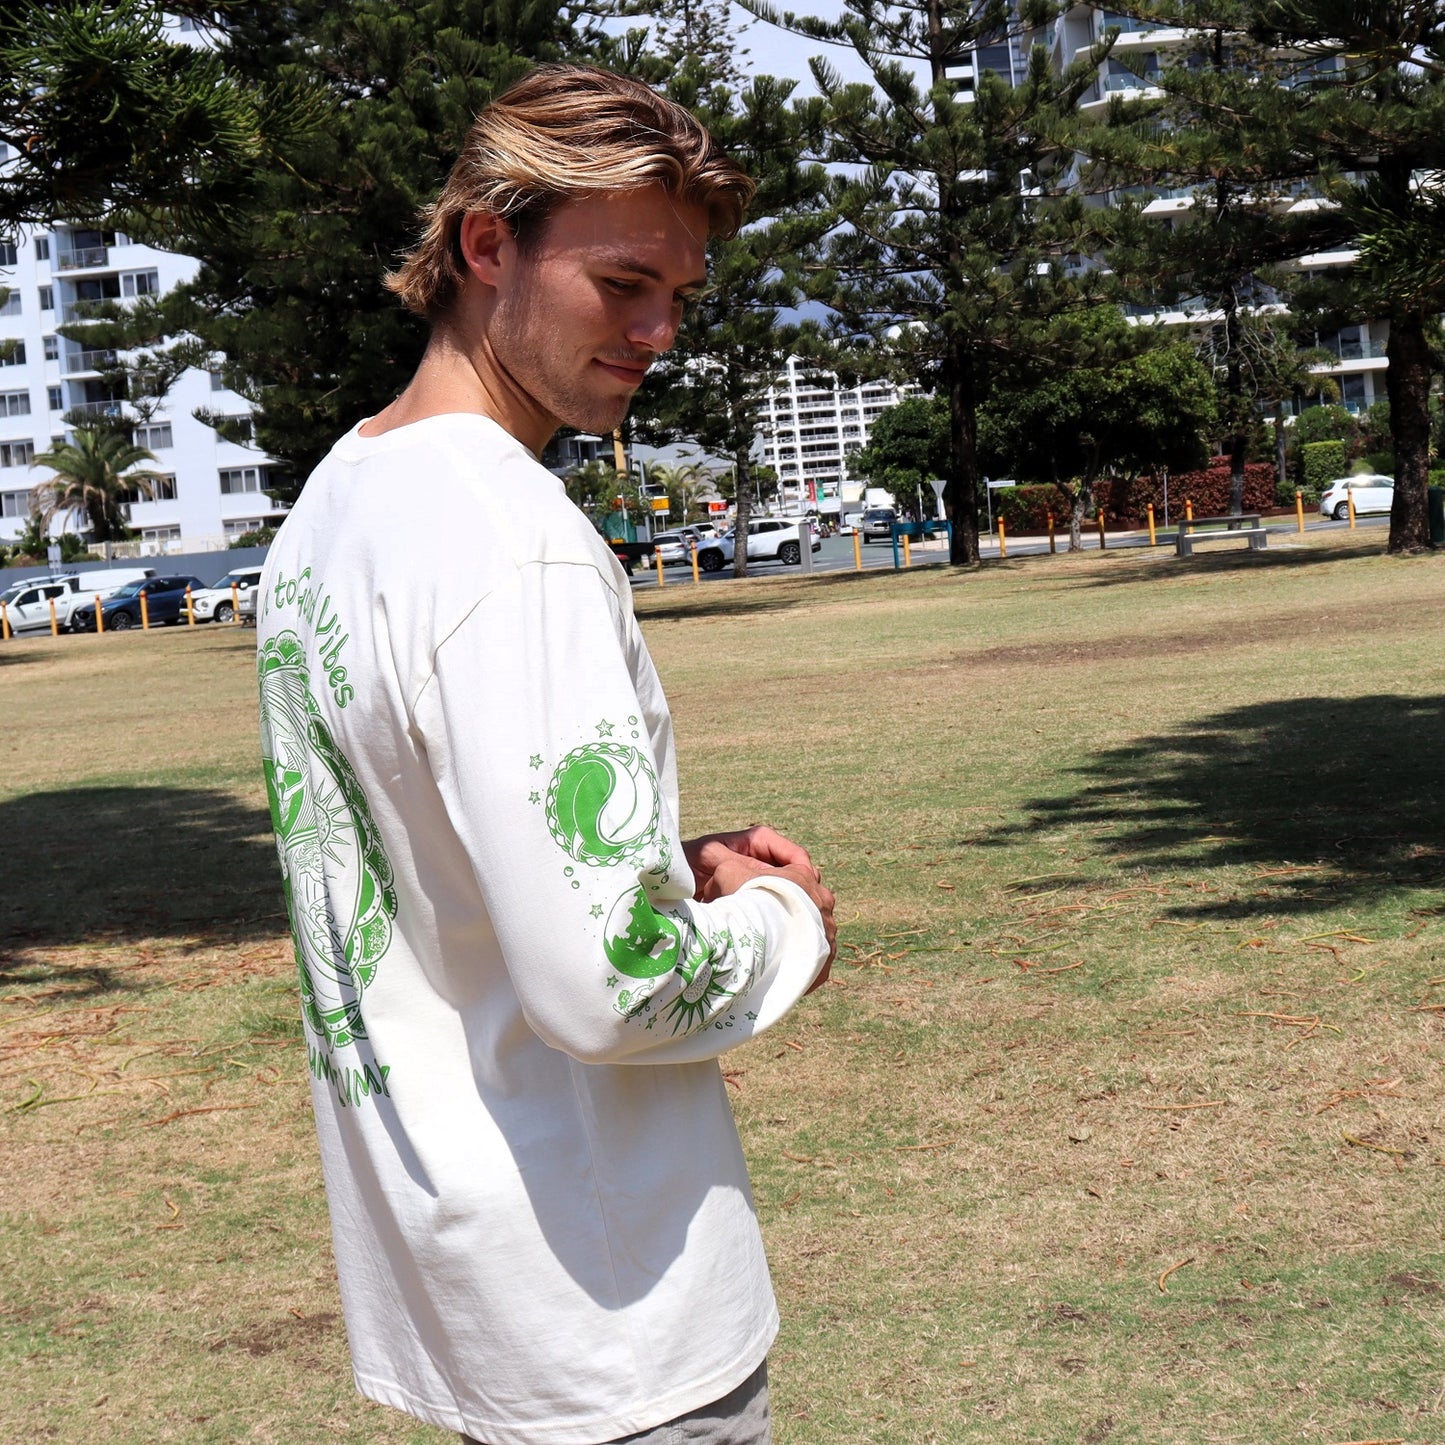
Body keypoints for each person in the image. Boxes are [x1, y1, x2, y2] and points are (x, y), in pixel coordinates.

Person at [255, 64, 837, 1445]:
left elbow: (440, 848)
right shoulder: (512, 539)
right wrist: (782, 920)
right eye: (623, 280)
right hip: (614, 1311)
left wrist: (657, 863)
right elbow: (614, 987)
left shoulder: (340, 502)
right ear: (484, 243)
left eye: (681, 294)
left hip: (477, 1285)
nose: (660, 331)